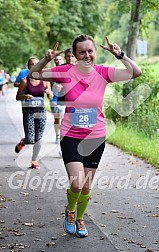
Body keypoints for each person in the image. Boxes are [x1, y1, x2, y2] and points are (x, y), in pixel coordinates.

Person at [28, 34, 142, 237]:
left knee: (87, 185)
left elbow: (136, 72)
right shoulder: (64, 72)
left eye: (90, 51)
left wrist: (120, 55)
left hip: (96, 136)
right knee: (76, 183)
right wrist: (46, 59)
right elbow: (34, 75)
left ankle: (80, 218)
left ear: (95, 52)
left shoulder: (103, 72)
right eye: (82, 52)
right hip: (71, 135)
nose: (87, 55)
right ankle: (70, 211)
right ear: (75, 54)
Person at [15, 57, 53, 169]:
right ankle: (24, 141)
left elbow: (50, 96)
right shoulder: (24, 81)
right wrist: (24, 96)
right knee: (30, 139)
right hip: (28, 110)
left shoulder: (45, 81)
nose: (34, 65)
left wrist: (48, 92)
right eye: (32, 64)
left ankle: (34, 160)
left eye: (37, 64)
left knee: (38, 137)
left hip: (40, 110)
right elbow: (17, 97)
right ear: (28, 67)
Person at [50, 49, 76, 144]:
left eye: (72, 56)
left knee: (73, 125)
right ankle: (62, 142)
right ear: (65, 57)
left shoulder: (80, 68)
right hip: (62, 101)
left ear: (76, 57)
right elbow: (49, 76)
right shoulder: (60, 68)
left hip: (76, 102)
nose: (70, 58)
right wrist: (55, 84)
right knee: (64, 123)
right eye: (68, 56)